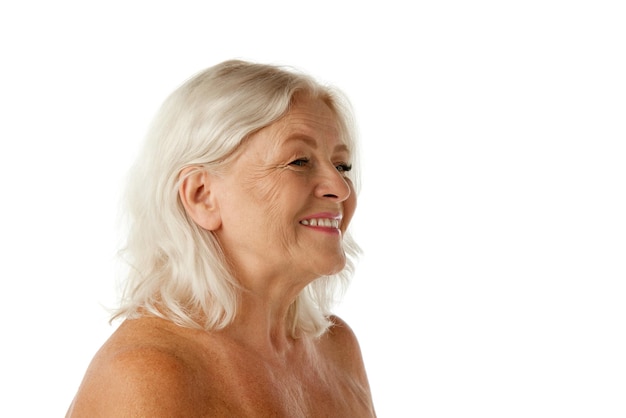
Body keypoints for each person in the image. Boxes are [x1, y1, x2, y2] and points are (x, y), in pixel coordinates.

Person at [65, 59, 376, 417]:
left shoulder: (336, 348)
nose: (339, 187)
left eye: (342, 166)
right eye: (299, 161)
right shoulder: (146, 376)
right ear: (202, 196)